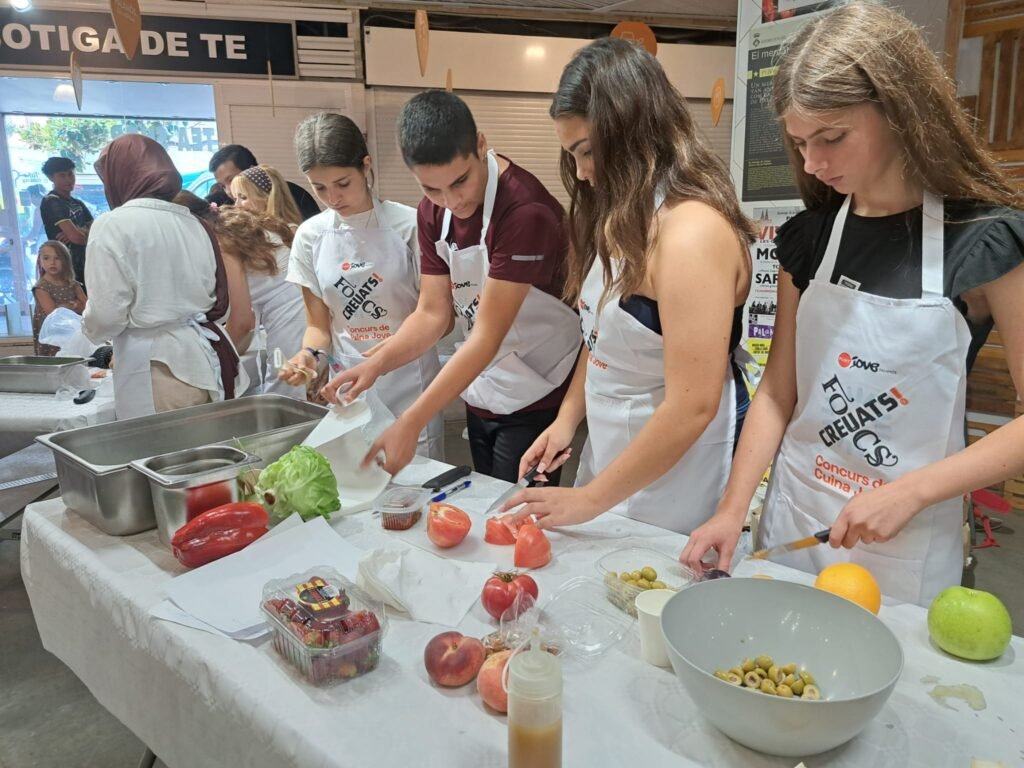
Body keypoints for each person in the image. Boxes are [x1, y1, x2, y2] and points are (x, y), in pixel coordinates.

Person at [680, 3, 1024, 607]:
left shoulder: (986, 240)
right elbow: (779, 393)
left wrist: (912, 492)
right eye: (800, 143)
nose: (812, 164)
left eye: (832, 137)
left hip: (905, 542)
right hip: (794, 516)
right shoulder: (810, 238)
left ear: (899, 111)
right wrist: (731, 510)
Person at [498, 38, 754, 533]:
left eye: (588, 152)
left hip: (682, 466)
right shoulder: (622, 217)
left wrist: (591, 498)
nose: (582, 173)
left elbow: (692, 404)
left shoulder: (692, 235)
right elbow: (600, 342)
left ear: (635, 133)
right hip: (614, 453)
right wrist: (567, 418)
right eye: (571, 154)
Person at [322, 92, 582, 481]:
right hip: (485, 381)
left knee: (518, 516)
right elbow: (432, 313)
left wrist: (412, 422)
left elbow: (487, 337)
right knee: (487, 502)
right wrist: (376, 363)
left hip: (539, 386)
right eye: (432, 189)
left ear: (481, 144)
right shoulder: (433, 213)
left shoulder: (525, 212)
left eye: (461, 181)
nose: (452, 200)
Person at [281, 112, 444, 454]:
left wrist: (388, 353)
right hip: (349, 383)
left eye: (343, 183)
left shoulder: (410, 226)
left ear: (366, 166)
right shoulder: (310, 237)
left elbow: (440, 318)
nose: (333, 197)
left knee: (417, 483)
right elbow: (319, 326)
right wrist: (309, 355)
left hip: (410, 380)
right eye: (319, 188)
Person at [83, 135, 242, 420]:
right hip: (201, 359)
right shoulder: (194, 223)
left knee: (158, 459)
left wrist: (90, 329)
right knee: (205, 456)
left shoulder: (112, 224)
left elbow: (107, 314)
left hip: (154, 368)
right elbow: (219, 305)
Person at [213, 205, 306, 398]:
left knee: (287, 387)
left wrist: (216, 359)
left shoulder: (221, 243)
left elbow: (242, 323)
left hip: (292, 310)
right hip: (293, 303)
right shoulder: (232, 224)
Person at [208, 144, 320, 220]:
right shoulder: (223, 203)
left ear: (252, 170)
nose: (229, 190)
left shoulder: (295, 194)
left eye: (231, 180)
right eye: (222, 185)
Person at [39, 157, 93, 289]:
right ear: (51, 177)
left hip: (85, 263)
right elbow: (77, 238)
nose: (69, 180)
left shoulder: (77, 203)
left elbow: (95, 230)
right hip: (65, 265)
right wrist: (82, 232)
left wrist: (78, 230)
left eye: (71, 174)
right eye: (62, 176)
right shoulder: (52, 201)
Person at [31, 240, 87, 356]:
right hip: (53, 334)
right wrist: (76, 304)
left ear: (65, 260)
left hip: (74, 331)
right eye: (46, 258)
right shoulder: (41, 287)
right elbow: (53, 313)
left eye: (57, 258)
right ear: (40, 261)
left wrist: (66, 306)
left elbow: (87, 306)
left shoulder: (73, 284)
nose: (52, 262)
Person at [230, 165, 303, 228]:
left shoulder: (289, 230)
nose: (236, 205)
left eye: (243, 197)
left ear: (266, 198)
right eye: (235, 199)